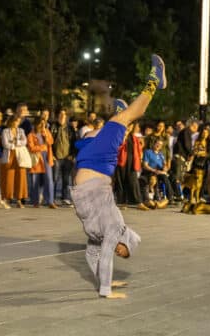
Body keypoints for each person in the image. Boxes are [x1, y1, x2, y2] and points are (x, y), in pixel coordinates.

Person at [70, 54, 165, 299]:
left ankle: (120, 119)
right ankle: (155, 80)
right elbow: (106, 256)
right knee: (129, 116)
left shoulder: (100, 234)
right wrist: (107, 291)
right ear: (126, 239)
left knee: (95, 134)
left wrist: (105, 282)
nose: (120, 254)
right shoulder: (114, 227)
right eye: (124, 251)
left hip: (90, 168)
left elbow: (92, 255)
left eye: (122, 256)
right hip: (98, 167)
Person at [0, 116, 29, 207]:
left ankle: (19, 199)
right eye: (16, 121)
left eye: (18, 121)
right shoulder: (5, 131)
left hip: (20, 156)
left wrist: (15, 142)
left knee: (21, 176)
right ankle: (7, 198)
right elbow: (5, 144)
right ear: (11, 122)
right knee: (8, 177)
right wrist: (15, 144)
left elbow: (25, 141)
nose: (17, 123)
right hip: (9, 155)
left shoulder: (21, 130)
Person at [27, 117, 56, 208]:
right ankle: (35, 202)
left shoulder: (46, 131)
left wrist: (45, 133)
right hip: (37, 158)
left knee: (49, 179)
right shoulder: (31, 135)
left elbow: (51, 142)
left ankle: (50, 201)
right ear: (36, 124)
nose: (42, 125)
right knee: (35, 180)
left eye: (44, 123)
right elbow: (31, 148)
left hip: (47, 157)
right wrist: (42, 147)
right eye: (40, 123)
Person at [51, 108, 77, 206]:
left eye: (64, 114)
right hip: (56, 157)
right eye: (60, 114)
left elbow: (74, 142)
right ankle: (52, 198)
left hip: (67, 157)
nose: (62, 116)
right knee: (55, 178)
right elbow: (49, 142)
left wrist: (72, 155)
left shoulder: (70, 128)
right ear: (57, 116)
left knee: (66, 179)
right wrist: (52, 155)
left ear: (66, 116)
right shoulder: (53, 127)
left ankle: (65, 198)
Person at [115, 123, 144, 209]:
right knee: (121, 182)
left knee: (133, 181)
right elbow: (117, 148)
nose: (129, 128)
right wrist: (124, 137)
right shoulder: (119, 136)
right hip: (121, 161)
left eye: (131, 127)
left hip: (132, 162)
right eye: (128, 126)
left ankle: (138, 202)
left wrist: (140, 157)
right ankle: (121, 202)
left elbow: (139, 149)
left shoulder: (134, 138)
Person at [140, 139, 172, 209]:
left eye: (160, 145)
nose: (158, 145)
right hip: (149, 171)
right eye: (157, 143)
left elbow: (165, 165)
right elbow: (145, 165)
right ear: (154, 144)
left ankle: (170, 197)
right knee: (155, 178)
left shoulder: (161, 154)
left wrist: (165, 168)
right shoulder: (148, 152)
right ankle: (151, 198)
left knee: (165, 177)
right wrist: (154, 170)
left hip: (159, 172)